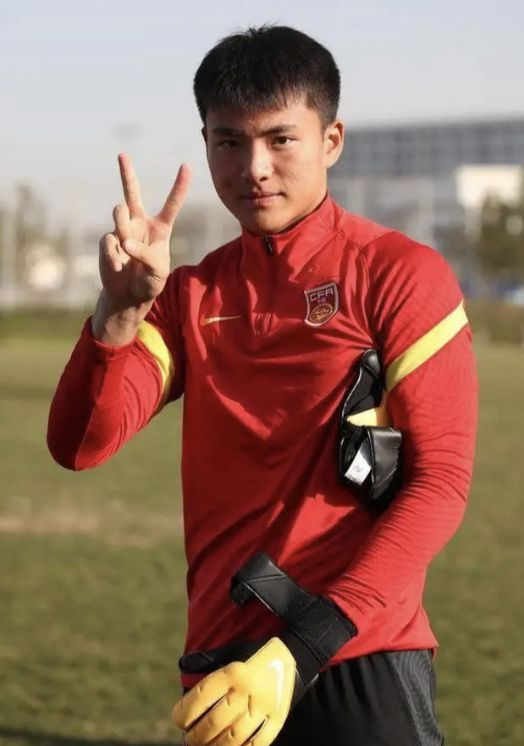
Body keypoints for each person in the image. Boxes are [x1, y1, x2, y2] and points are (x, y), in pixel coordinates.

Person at [48, 24, 478, 746]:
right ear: (206, 143)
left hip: (357, 655)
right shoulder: (189, 296)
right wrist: (117, 313)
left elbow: (440, 485)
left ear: (331, 140)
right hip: (224, 667)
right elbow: (79, 445)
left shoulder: (400, 276)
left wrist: (303, 647)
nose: (255, 168)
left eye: (281, 139)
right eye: (229, 141)